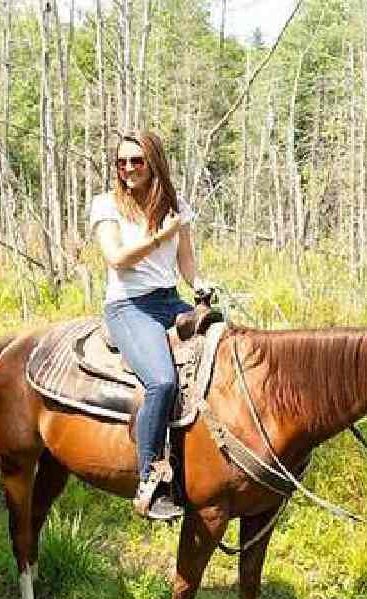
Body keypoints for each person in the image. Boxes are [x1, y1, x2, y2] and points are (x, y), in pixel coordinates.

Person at [89, 130, 208, 520]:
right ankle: (149, 478)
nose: (128, 169)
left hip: (170, 299)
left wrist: (200, 285)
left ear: (154, 162)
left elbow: (185, 261)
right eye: (121, 162)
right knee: (162, 381)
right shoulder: (107, 205)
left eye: (136, 161)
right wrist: (161, 236)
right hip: (128, 306)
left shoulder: (178, 207)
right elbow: (117, 259)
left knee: (226, 351)